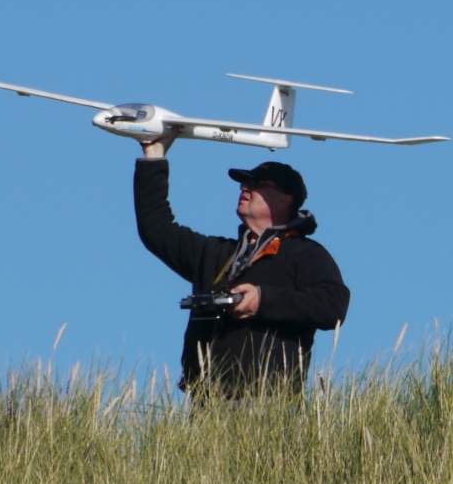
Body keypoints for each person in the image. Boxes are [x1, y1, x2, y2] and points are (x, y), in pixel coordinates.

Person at [133, 129, 350, 396]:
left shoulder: (306, 254)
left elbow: (334, 306)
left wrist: (262, 300)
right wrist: (153, 157)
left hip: (268, 404)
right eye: (244, 183)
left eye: (257, 183)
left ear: (284, 200)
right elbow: (156, 229)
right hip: (206, 405)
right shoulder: (215, 253)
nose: (244, 187)